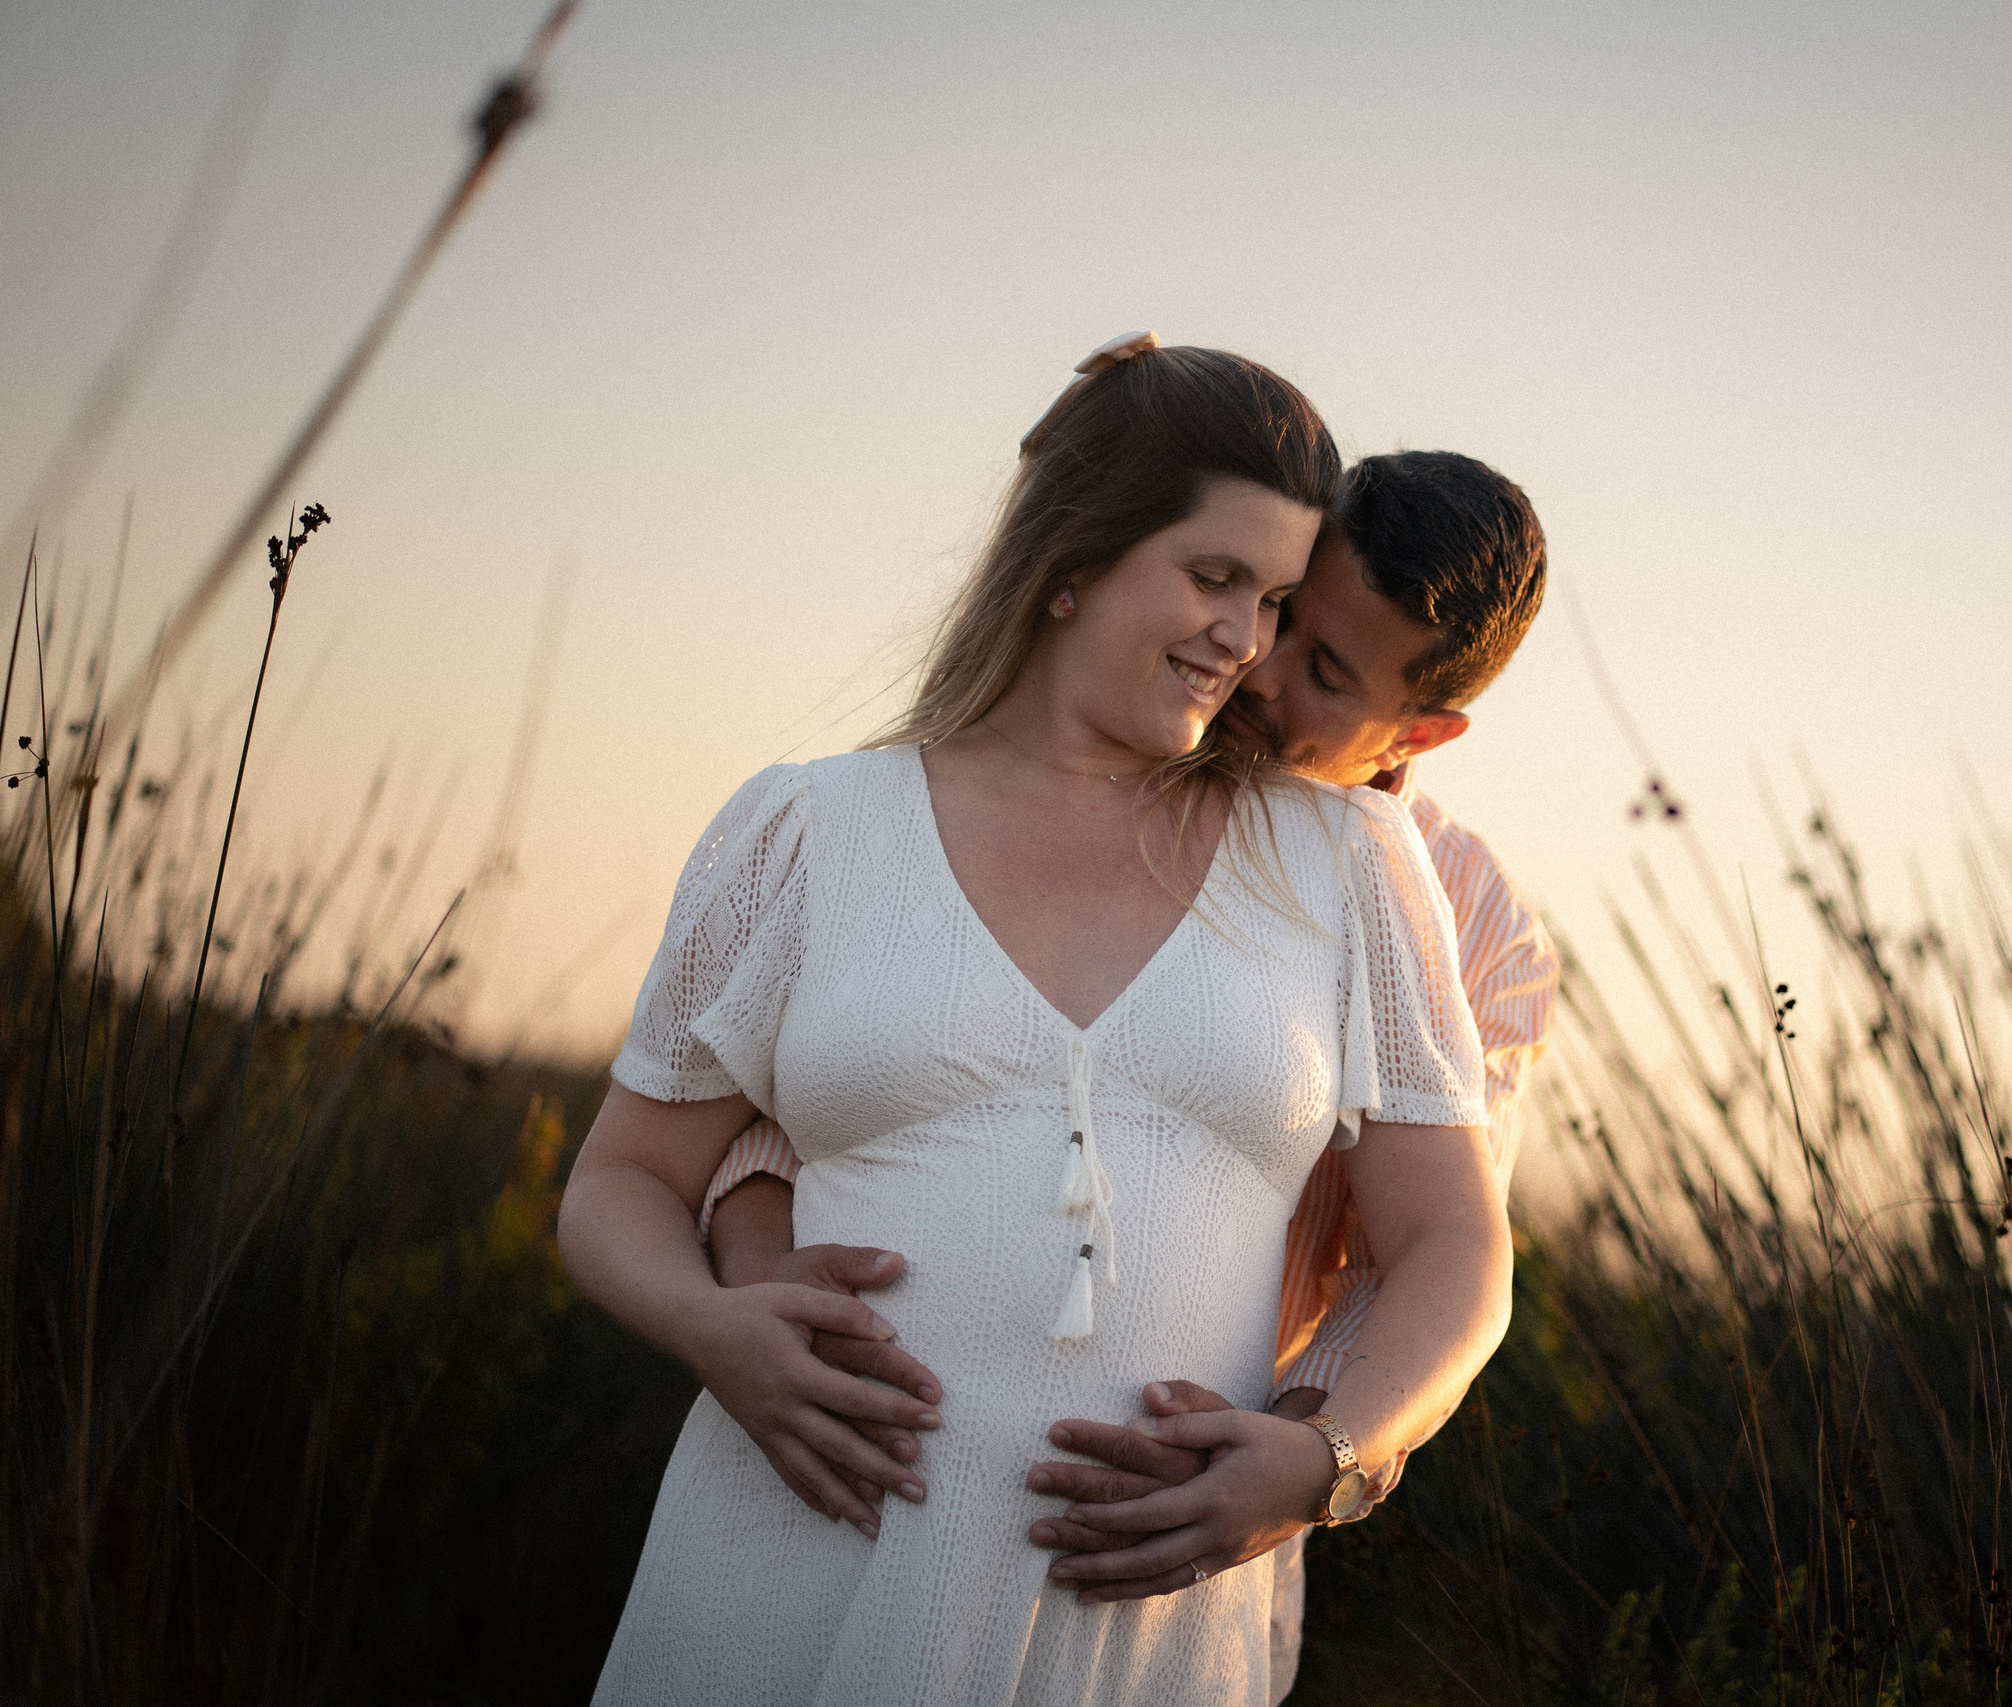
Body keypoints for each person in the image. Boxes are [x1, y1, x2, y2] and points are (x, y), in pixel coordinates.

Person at [555, 337, 1514, 1707]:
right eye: (1214, 577)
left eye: (1280, 601)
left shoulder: (1349, 865)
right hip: (785, 1580)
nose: (1245, 641)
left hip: (1142, 1634)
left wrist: (1325, 1463)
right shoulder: (810, 829)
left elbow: (1458, 1248)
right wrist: (716, 1331)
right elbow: (621, 1184)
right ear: (1076, 554)